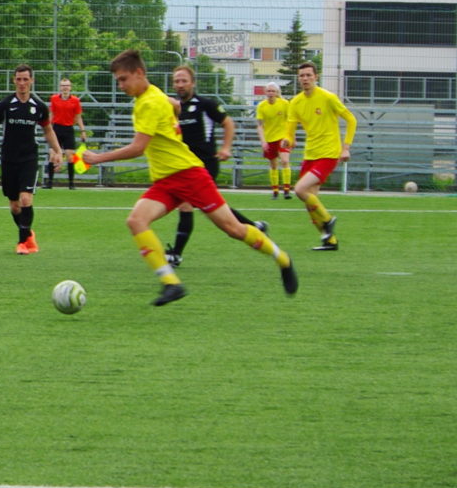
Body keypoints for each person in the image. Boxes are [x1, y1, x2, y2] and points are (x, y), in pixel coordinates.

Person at [78, 49, 296, 306]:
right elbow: (175, 105)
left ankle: (283, 259)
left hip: (189, 175)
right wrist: (172, 108)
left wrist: (98, 158)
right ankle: (171, 284)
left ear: (139, 73)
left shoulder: (149, 103)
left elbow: (138, 148)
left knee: (233, 229)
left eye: (123, 79)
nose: (121, 85)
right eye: (118, 81)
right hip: (166, 180)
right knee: (136, 220)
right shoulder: (151, 94)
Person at [164, 64, 264, 268]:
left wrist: (226, 148)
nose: (180, 84)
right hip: (186, 166)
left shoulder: (205, 104)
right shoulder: (174, 108)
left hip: (206, 164)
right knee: (211, 206)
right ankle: (253, 226)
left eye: (184, 81)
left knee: (186, 204)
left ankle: (176, 254)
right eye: (176, 81)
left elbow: (228, 123)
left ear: (193, 83)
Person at [0, 64, 64, 254]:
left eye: (25, 79)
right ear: (14, 80)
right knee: (15, 206)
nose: (22, 83)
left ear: (31, 80)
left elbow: (48, 130)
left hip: (29, 158)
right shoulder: (5, 104)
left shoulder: (39, 107)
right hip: (9, 159)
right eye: (18, 79)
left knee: (26, 199)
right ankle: (28, 235)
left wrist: (57, 151)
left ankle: (22, 243)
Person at [286, 61, 356, 252]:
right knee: (311, 207)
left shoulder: (328, 97)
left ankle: (328, 220)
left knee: (300, 189)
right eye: (302, 76)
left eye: (309, 75)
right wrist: (287, 140)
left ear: (316, 77)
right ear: (298, 78)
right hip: (310, 154)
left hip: (329, 153)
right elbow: (289, 131)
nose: (305, 78)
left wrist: (345, 148)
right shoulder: (295, 102)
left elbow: (351, 120)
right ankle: (330, 241)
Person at [255, 82, 295, 198]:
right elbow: (259, 125)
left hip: (283, 137)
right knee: (273, 165)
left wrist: (292, 137)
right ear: (265, 92)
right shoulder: (261, 106)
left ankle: (287, 190)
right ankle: (275, 191)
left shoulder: (284, 103)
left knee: (285, 161)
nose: (271, 93)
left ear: (277, 92)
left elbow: (290, 121)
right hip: (269, 138)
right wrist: (263, 141)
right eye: (269, 91)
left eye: (273, 91)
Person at [46, 77, 85, 189]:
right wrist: (48, 129)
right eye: (63, 86)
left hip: (68, 129)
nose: (65, 88)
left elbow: (78, 117)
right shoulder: (54, 99)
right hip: (56, 129)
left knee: (70, 156)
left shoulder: (75, 100)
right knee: (52, 155)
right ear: (60, 87)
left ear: (70, 87)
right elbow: (51, 114)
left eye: (67, 85)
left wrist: (82, 131)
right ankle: (49, 182)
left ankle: (71, 183)